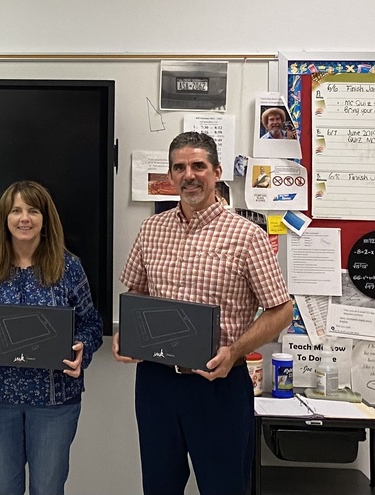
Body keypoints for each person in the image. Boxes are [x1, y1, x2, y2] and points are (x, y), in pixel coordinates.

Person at [114, 131, 291, 495]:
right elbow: (136, 291)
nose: (188, 175)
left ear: (216, 172)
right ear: (171, 175)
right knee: (159, 487)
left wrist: (235, 351)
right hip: (156, 383)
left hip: (219, 384)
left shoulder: (247, 235)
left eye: (198, 165)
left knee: (224, 487)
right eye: (179, 167)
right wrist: (126, 334)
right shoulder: (152, 229)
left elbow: (281, 311)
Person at [0, 180, 103, 495]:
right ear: (4, 218)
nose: (25, 218)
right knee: (3, 489)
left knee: (48, 489)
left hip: (54, 401)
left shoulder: (69, 267)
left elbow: (91, 322)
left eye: (33, 210)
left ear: (45, 217)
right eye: (17, 211)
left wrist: (83, 348)